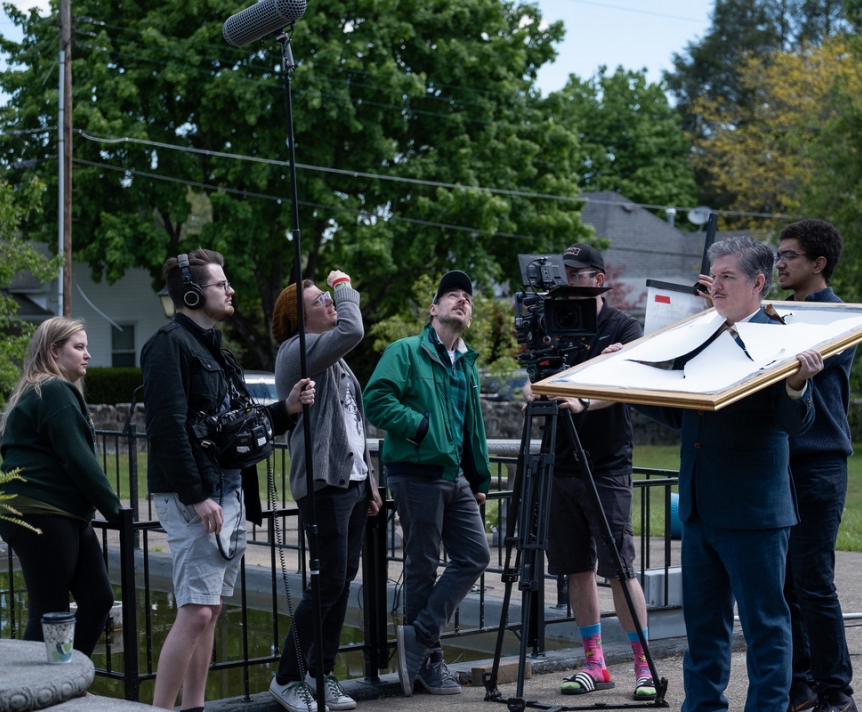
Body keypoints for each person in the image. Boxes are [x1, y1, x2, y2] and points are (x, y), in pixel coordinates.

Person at [632, 236, 823, 712]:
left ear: (758, 283)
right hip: (699, 511)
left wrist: (798, 385)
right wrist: (627, 377)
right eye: (713, 277)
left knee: (765, 628)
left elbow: (795, 421)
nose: (713, 287)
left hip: (755, 512)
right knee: (702, 628)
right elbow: (685, 417)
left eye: (726, 278)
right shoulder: (702, 333)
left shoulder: (784, 335)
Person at [142, 248, 314, 711]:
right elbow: (166, 429)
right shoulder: (167, 345)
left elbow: (235, 423)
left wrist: (286, 409)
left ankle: (194, 706)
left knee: (211, 609)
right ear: (194, 293)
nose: (230, 290)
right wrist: (197, 496)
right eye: (222, 284)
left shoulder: (217, 348)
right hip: (196, 497)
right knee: (196, 610)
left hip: (230, 490)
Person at [522, 243, 654, 699]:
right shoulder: (548, 321)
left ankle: (643, 666)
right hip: (558, 461)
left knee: (618, 568)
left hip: (605, 463)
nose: (568, 281)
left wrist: (583, 399)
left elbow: (627, 387)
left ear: (599, 279)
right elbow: (533, 374)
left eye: (577, 274)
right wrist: (534, 390)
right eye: (565, 273)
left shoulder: (623, 325)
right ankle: (594, 663)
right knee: (576, 568)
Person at [362, 270, 491, 697]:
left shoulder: (466, 365)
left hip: (454, 475)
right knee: (421, 565)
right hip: (415, 472)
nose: (462, 300)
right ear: (433, 309)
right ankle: (427, 663)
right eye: (453, 295)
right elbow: (376, 400)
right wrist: (419, 428)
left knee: (475, 555)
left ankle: (417, 640)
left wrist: (479, 478)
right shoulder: (406, 351)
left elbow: (473, 426)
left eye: (468, 298)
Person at [268, 271, 384, 712]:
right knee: (328, 583)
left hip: (350, 483)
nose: (332, 304)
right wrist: (344, 285)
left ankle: (322, 673)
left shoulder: (332, 359)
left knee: (340, 582)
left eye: (331, 298)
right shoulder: (297, 351)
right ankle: (287, 678)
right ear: (298, 317)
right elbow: (353, 328)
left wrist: (370, 481)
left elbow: (354, 425)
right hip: (323, 484)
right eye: (321, 301)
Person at [0, 317, 124, 657]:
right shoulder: (53, 390)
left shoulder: (46, 389)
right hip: (40, 511)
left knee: (98, 599)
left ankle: (68, 676)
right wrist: (115, 510)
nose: (88, 355)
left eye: (86, 347)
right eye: (78, 347)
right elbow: (78, 459)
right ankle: (30, 692)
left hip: (61, 513)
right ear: (54, 350)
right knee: (49, 607)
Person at [775, 220, 857, 712]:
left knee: (813, 582)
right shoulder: (781, 313)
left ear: (818, 263)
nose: (779, 263)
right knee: (785, 584)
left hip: (819, 464)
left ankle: (836, 693)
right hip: (780, 465)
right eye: (778, 255)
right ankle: (799, 685)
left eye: (789, 256)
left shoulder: (841, 319)